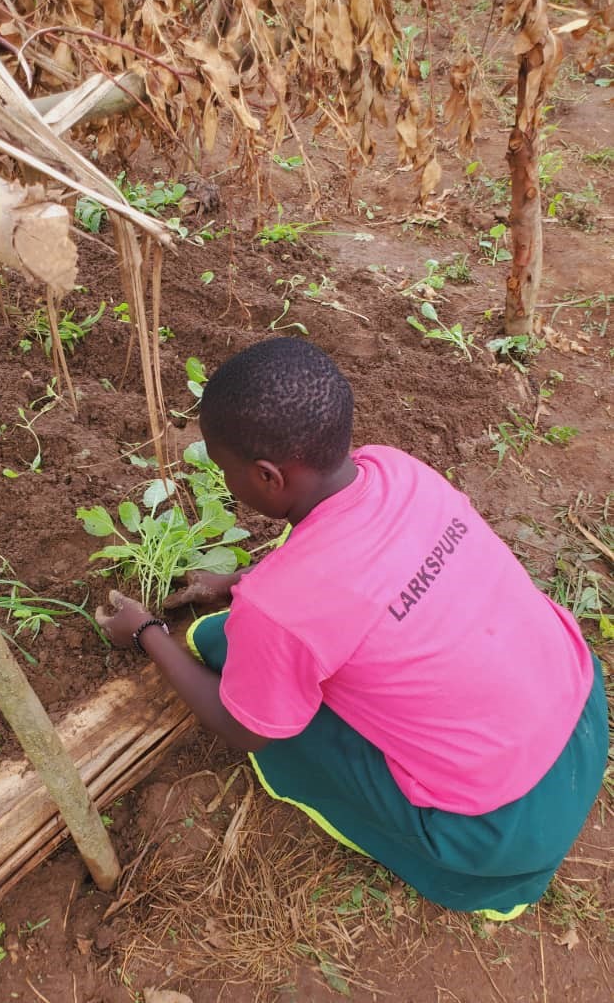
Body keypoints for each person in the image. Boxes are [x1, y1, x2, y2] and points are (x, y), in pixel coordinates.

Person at [95, 337, 607, 920]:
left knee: (268, 696)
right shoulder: (395, 469)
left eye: (224, 468)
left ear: (267, 476)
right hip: (583, 714)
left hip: (501, 828)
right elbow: (367, 561)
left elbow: (246, 729)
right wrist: (239, 579)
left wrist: (147, 632)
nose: (224, 479)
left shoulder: (279, 609)